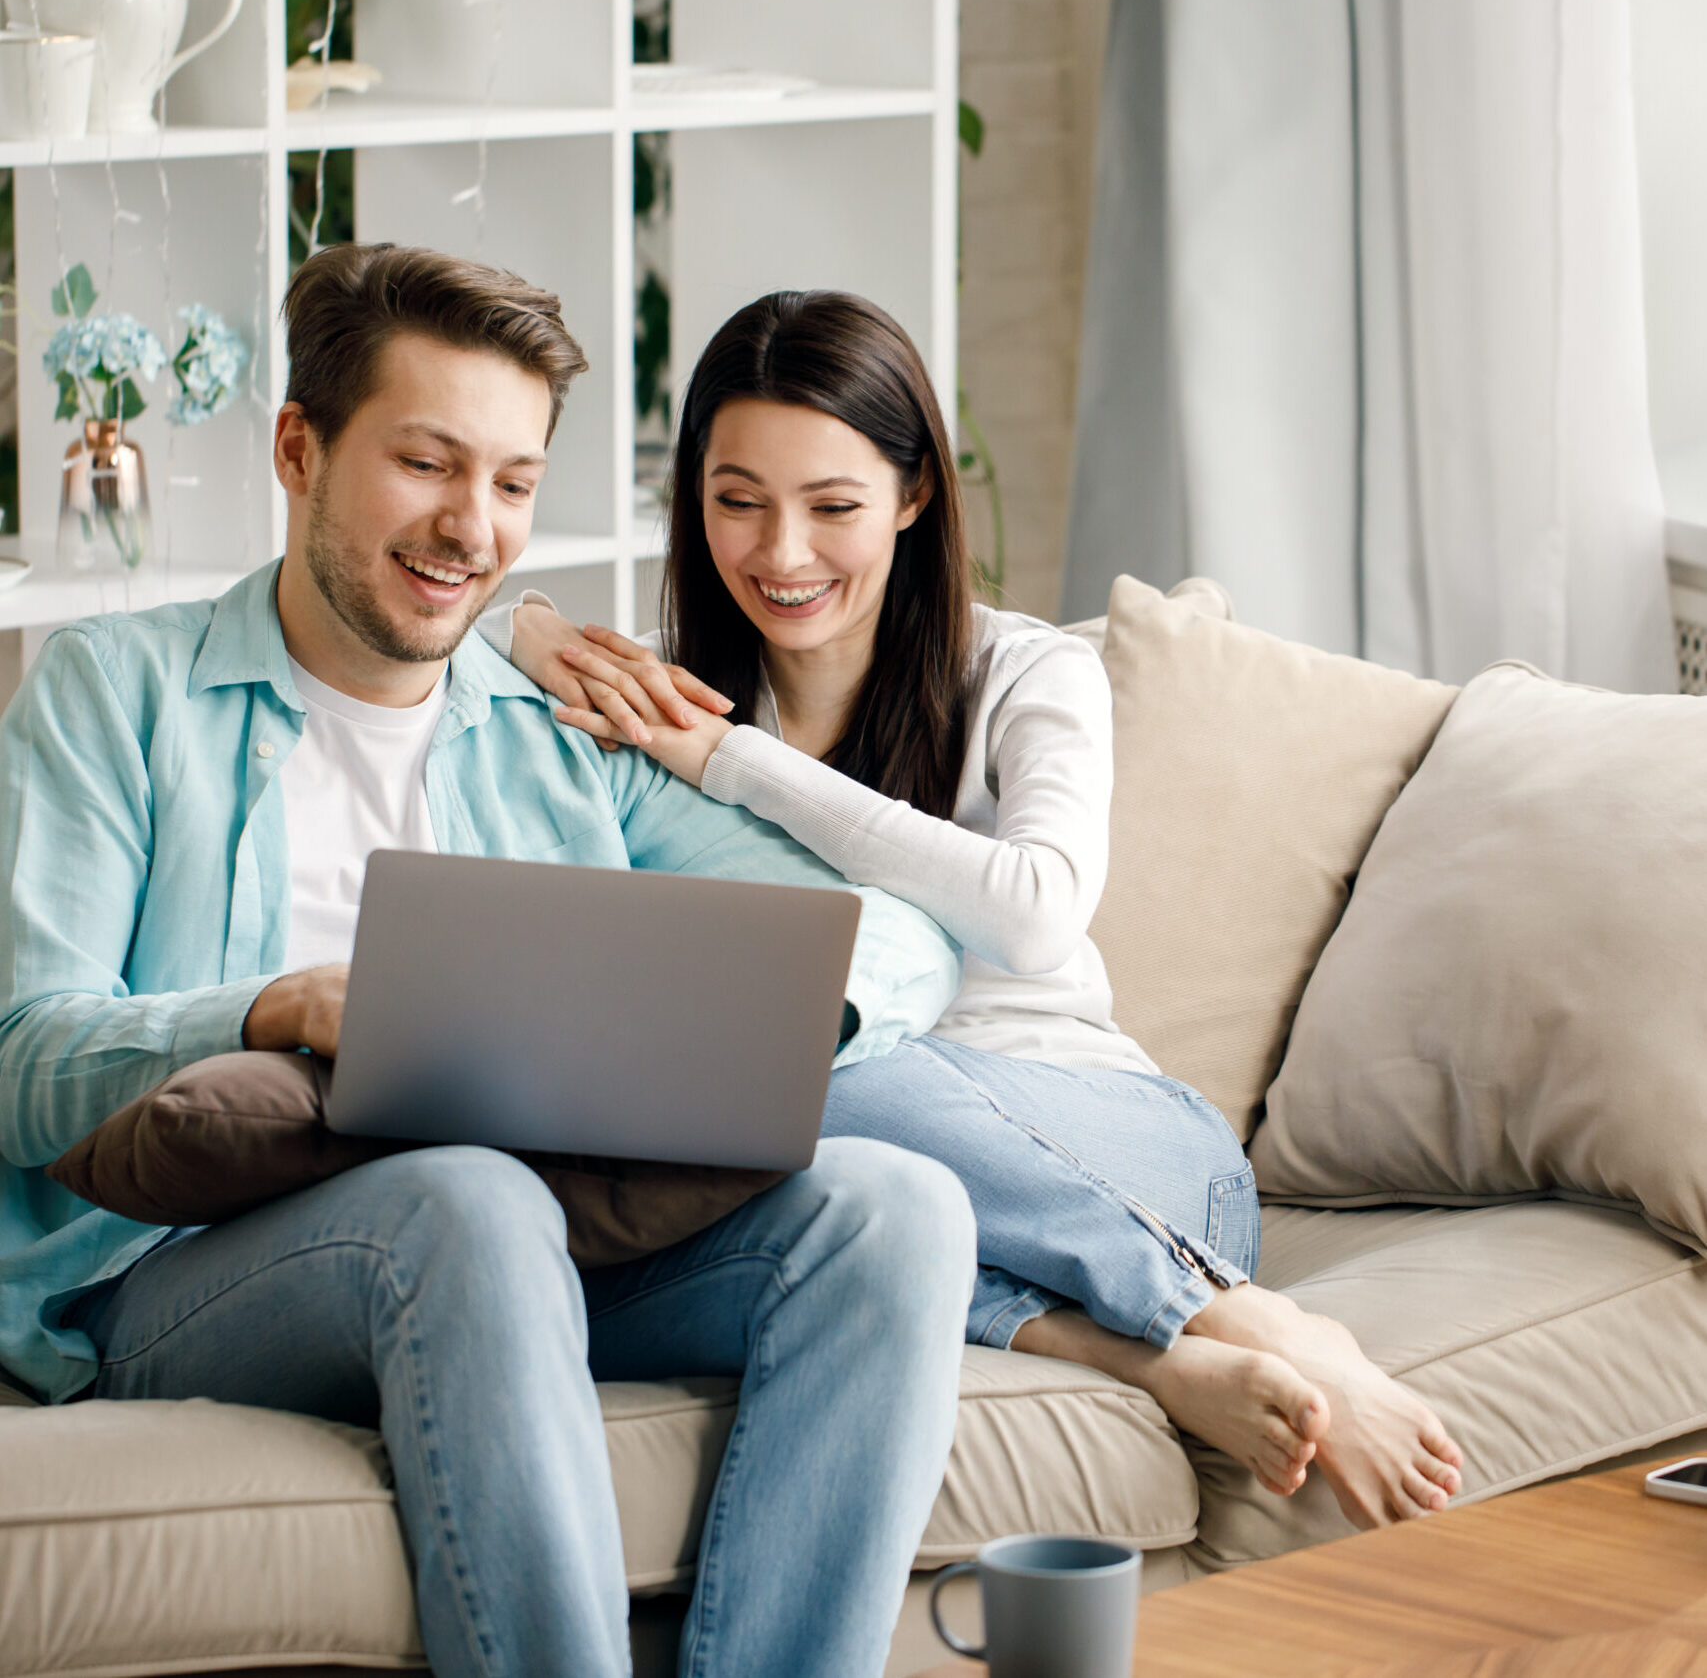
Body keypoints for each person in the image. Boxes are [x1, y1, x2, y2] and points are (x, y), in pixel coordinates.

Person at [0, 247, 983, 1678]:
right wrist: (280, 1007)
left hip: (539, 1239)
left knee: (894, 1208)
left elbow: (893, 927)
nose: (471, 526)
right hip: (172, 1271)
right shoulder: (112, 693)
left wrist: (778, 1009)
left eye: (514, 482)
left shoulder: (551, 719)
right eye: (427, 463)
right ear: (299, 448)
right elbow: (26, 1057)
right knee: (464, 1197)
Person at [485, 288, 1466, 1531]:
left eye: (832, 506)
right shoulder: (657, 697)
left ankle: (1243, 1318)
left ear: (914, 496)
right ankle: (1153, 1361)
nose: (782, 555)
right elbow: (457, 636)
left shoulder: (1021, 673)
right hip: (874, 1183)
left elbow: (1036, 913)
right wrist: (520, 630)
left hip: (1127, 1170)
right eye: (738, 502)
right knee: (790, 1149)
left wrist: (731, 763)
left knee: (794, 1065)